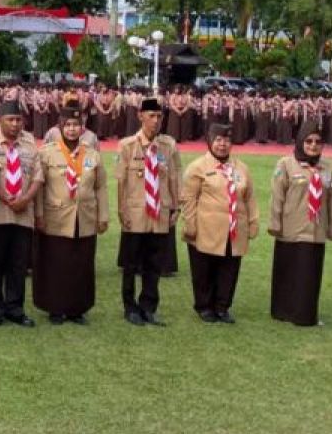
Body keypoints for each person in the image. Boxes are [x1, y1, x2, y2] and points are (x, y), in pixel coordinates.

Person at [33, 106, 108, 325]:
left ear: (82, 128)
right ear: (60, 127)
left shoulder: (92, 154)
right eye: (68, 125)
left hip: (84, 217)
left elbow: (101, 187)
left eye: (76, 125)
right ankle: (55, 308)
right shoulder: (47, 153)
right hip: (56, 217)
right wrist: (38, 215)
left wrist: (103, 216)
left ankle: (78, 309)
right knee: (56, 263)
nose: (72, 130)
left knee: (81, 264)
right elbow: (39, 187)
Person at [181, 124, 259, 323]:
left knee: (229, 269)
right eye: (218, 140)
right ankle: (204, 306)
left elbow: (249, 197)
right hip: (207, 228)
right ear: (210, 141)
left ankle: (222, 306)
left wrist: (252, 221)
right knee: (204, 269)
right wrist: (190, 224)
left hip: (234, 229)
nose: (222, 145)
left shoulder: (241, 168)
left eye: (226, 140)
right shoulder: (198, 167)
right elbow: (188, 198)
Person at [116, 97, 182, 326]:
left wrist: (176, 206)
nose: (156, 121)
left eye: (159, 116)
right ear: (140, 116)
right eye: (151, 116)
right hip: (136, 212)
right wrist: (121, 210)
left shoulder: (169, 146)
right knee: (131, 262)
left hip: (160, 211)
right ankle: (130, 307)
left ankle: (149, 306)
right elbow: (121, 182)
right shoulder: (127, 145)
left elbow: (174, 177)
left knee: (155, 263)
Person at [268, 124, 332, 326]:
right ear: (300, 141)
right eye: (309, 141)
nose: (313, 145)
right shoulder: (286, 164)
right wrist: (275, 223)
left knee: (309, 275)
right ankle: (282, 310)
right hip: (291, 227)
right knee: (287, 272)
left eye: (318, 142)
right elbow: (277, 196)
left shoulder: (328, 168)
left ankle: (304, 315)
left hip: (315, 230)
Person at [0, 99, 42, 327]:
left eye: (18, 120)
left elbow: (37, 176)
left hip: (23, 213)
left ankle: (15, 308)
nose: (15, 124)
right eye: (10, 119)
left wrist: (25, 198)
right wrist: (6, 198)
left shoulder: (29, 144)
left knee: (18, 264)